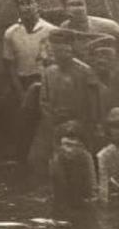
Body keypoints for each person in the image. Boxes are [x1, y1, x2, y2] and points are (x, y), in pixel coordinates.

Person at [31, 27, 101, 165]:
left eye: (64, 50)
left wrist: (77, 122)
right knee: (36, 158)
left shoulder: (85, 72)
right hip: (52, 123)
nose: (60, 54)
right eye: (56, 50)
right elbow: (44, 101)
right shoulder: (49, 72)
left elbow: (93, 103)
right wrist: (52, 119)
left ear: (71, 49)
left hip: (80, 123)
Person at [2, 0, 55, 163]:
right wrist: (20, 92)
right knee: (22, 125)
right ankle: (20, 162)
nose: (26, 7)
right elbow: (9, 65)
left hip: (44, 82)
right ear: (17, 7)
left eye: (30, 2)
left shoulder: (50, 31)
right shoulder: (11, 33)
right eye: (22, 3)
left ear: (38, 5)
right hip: (22, 82)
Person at [50, 120, 97, 206]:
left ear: (82, 147)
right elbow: (55, 191)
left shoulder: (86, 157)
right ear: (60, 145)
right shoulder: (56, 159)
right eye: (67, 144)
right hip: (61, 198)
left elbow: (92, 188)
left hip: (81, 197)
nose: (70, 150)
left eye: (76, 145)